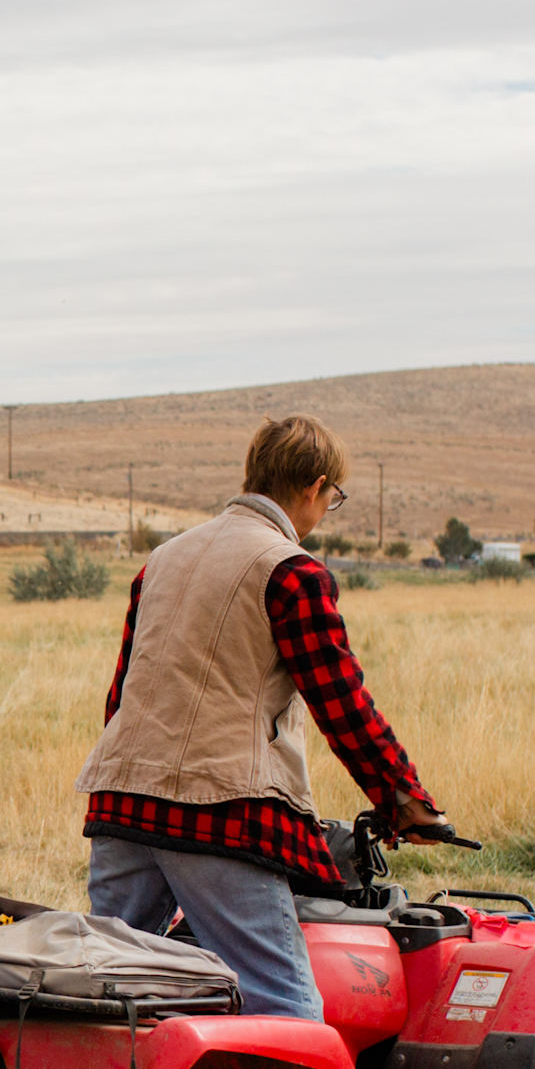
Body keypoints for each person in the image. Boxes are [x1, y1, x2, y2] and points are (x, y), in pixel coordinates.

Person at [76, 414, 453, 1019]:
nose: (325, 511)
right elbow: (342, 702)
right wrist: (404, 799)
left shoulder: (161, 561)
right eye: (333, 500)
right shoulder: (290, 571)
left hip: (121, 803)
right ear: (315, 487)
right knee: (286, 1006)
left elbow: (122, 698)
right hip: (220, 815)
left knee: (106, 995)